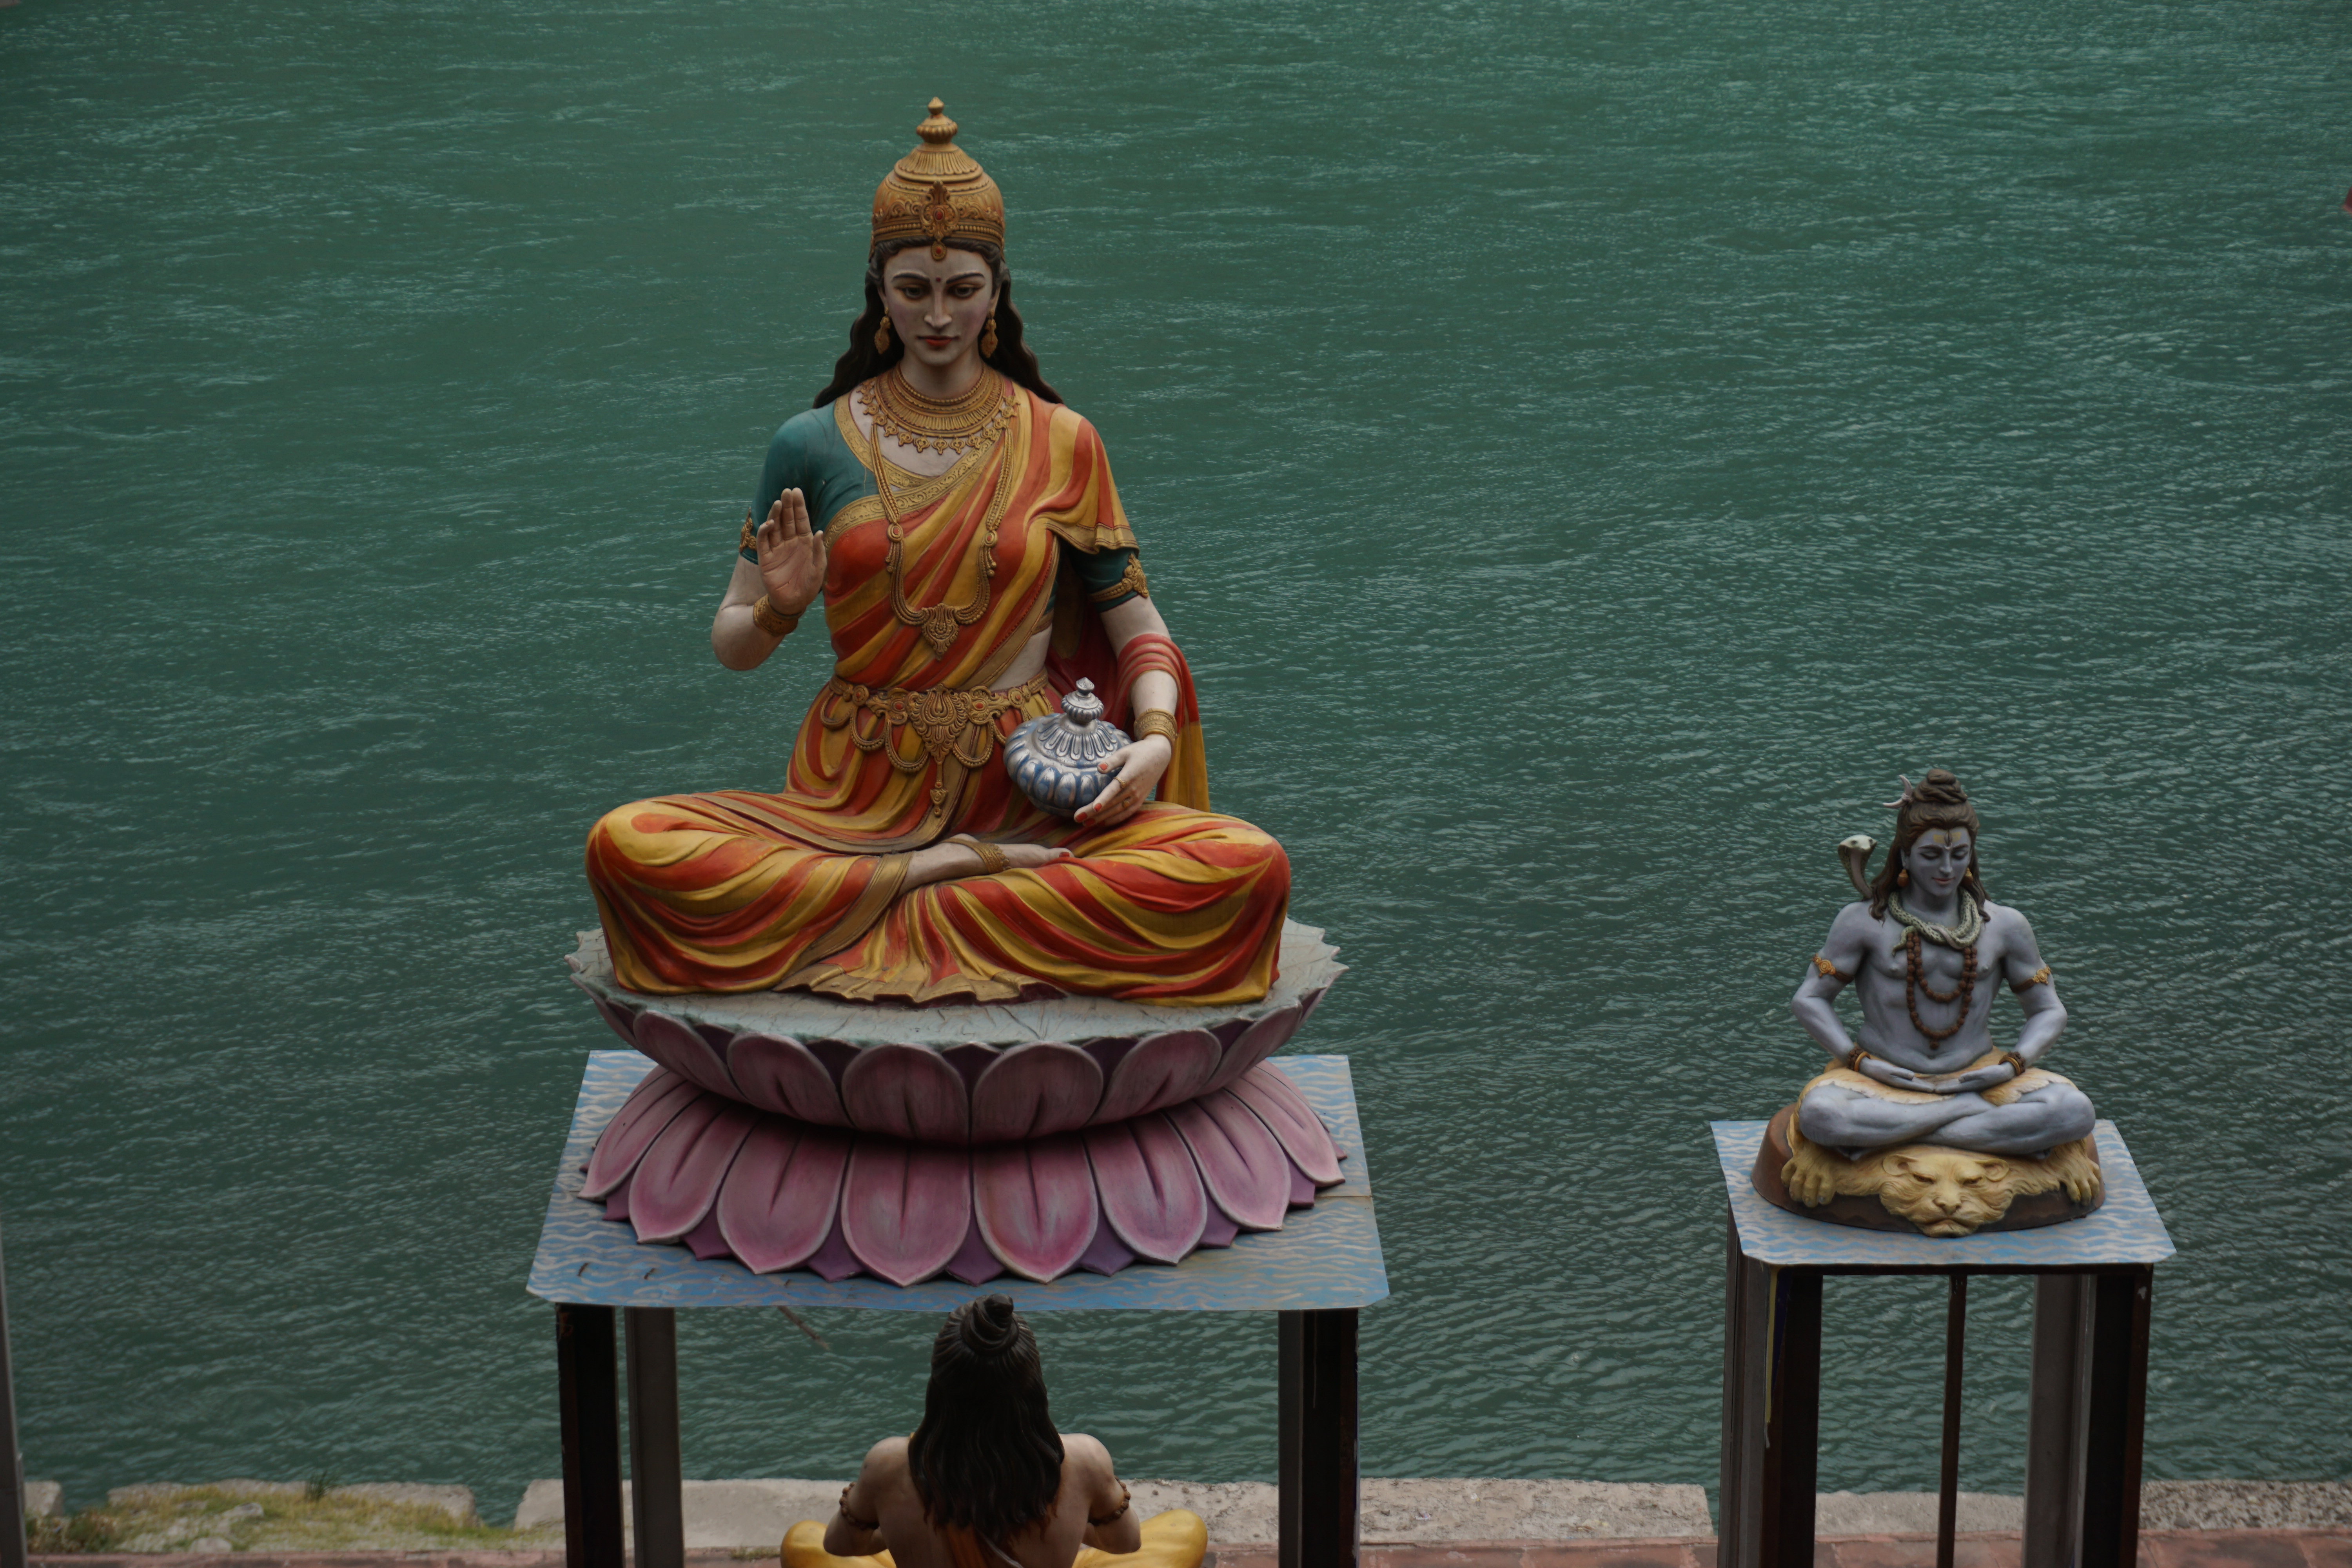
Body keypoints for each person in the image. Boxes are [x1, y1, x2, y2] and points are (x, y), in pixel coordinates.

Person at [585, 100, 1289, 1005]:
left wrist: (1152, 743)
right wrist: (779, 608)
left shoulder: (1062, 439)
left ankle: (885, 906)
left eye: (962, 290)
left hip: (1031, 791)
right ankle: (939, 877)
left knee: (1246, 867)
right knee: (630, 843)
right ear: (879, 289)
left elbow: (1139, 629)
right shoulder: (810, 442)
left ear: (998, 291)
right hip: (851, 798)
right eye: (914, 289)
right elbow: (732, 641)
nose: (939, 316)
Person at [1788, 770, 2096, 1156]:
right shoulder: (1864, 921)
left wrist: (2011, 1066)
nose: (1947, 869)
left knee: (2075, 1112)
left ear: (1972, 855)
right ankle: (1973, 1124)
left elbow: (2049, 1009)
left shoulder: (2005, 925)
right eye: (1932, 855)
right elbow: (1810, 999)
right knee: (1821, 1116)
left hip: (1976, 1076)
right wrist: (1860, 1062)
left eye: (1959, 854)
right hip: (1884, 1072)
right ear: (1905, 855)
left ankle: (1900, 1133)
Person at [784, 1296, 1205, 1568]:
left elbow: (842, 1546)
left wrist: (904, 1527)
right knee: (1186, 1528)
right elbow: (1125, 1544)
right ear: (1033, 1386)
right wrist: (1062, 1524)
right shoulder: (1083, 1458)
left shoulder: (891, 1462)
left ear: (940, 1385)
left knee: (803, 1542)